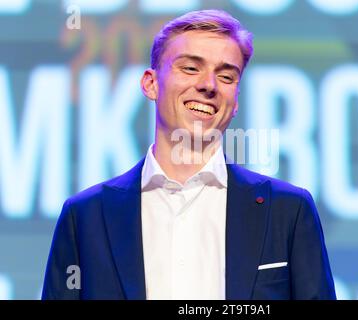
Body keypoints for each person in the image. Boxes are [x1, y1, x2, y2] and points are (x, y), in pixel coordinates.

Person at [42, 9, 336, 300]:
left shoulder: (287, 210)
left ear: (235, 102)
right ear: (151, 83)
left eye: (225, 75)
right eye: (191, 68)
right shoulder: (86, 217)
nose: (208, 85)